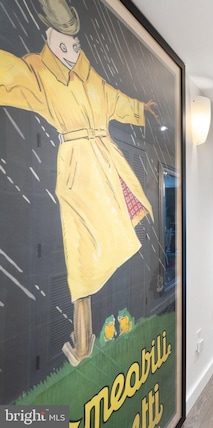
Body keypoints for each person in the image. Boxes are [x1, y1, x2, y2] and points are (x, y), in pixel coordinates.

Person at [0, 0, 158, 365]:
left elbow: (114, 99)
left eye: (75, 46)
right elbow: (12, 75)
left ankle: (94, 333)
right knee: (82, 256)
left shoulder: (89, 74)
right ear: (49, 39)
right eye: (64, 47)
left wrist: (139, 108)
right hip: (78, 171)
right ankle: (82, 342)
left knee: (110, 237)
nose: (71, 53)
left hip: (106, 162)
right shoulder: (38, 72)